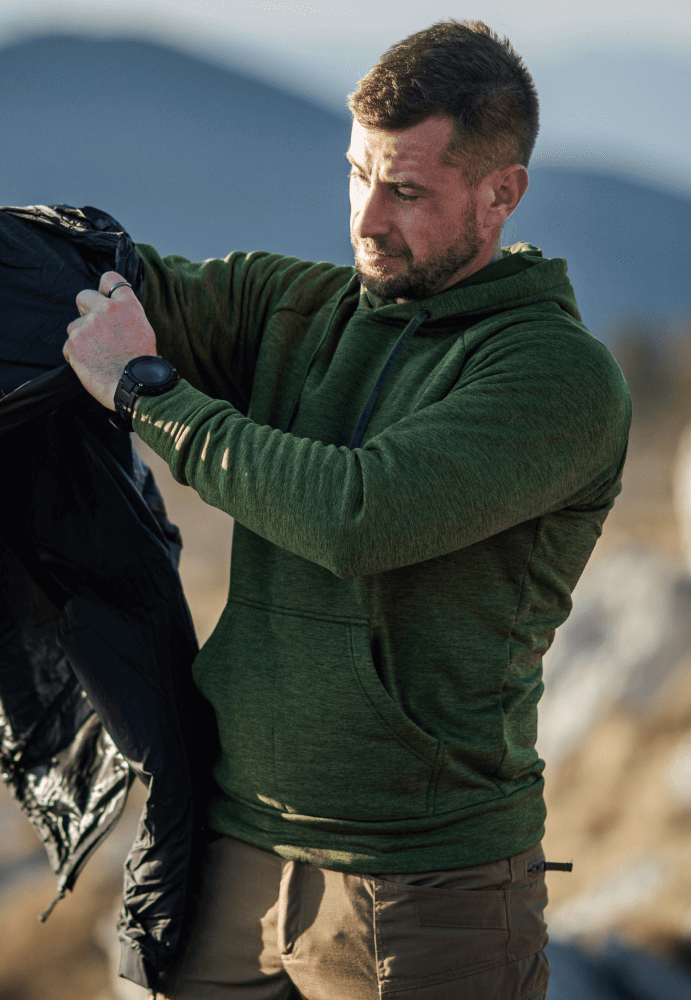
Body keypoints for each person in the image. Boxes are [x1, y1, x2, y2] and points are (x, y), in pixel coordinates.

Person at [62, 20, 630, 1000]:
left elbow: (356, 517)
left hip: (425, 886)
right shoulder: (302, 308)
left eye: (406, 190)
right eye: (357, 175)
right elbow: (91, 285)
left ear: (501, 194)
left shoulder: (553, 373)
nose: (367, 217)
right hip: (231, 847)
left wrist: (144, 391)